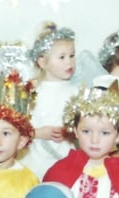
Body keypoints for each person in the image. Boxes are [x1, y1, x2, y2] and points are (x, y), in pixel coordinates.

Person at [22, 22, 79, 179]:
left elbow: (83, 126)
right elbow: (18, 128)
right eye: (62, 57)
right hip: (35, 157)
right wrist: (39, 133)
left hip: (64, 156)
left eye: (72, 56)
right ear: (42, 62)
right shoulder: (31, 91)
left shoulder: (76, 92)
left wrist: (68, 133)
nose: (69, 62)